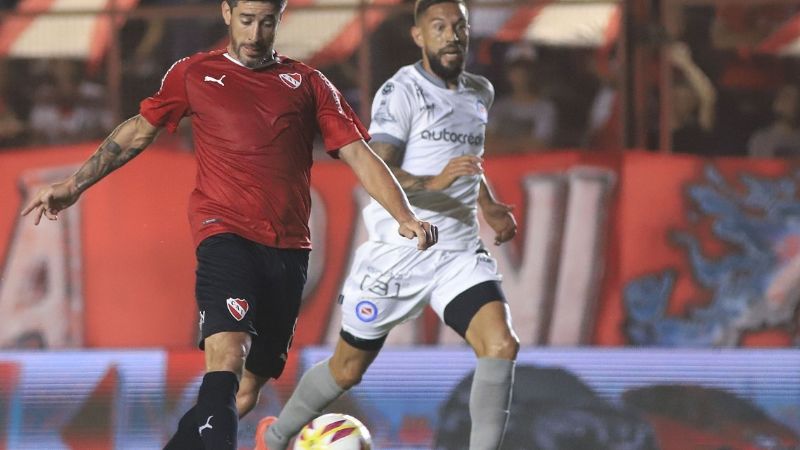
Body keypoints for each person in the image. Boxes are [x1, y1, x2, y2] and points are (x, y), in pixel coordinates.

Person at [21, 0, 438, 449]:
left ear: (279, 19)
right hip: (225, 235)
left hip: (289, 250)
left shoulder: (308, 83)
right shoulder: (194, 74)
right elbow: (139, 131)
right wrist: (75, 184)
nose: (255, 33)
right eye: (246, 20)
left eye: (266, 22)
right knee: (226, 353)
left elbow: (359, 153)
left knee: (243, 391)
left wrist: (404, 216)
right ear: (226, 13)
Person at [254, 0, 519, 449]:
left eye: (459, 27)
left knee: (501, 346)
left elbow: (463, 163)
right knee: (347, 369)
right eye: (439, 27)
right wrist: (435, 182)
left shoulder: (479, 93)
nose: (451, 35)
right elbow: (380, 166)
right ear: (419, 37)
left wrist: (488, 204)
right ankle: (276, 437)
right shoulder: (402, 93)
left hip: (457, 251)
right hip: (400, 253)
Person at [748, 84, 800, 158]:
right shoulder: (760, 139)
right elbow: (754, 168)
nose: (792, 103)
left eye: (796, 99)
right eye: (786, 97)